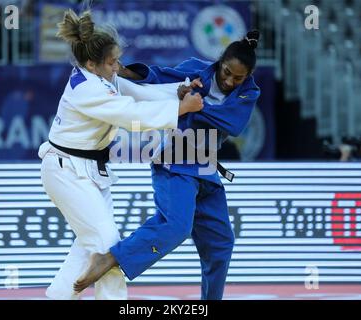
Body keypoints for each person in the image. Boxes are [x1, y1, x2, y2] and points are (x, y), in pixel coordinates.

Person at [73, 30, 262, 300]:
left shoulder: (250, 91)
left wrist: (193, 104)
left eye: (238, 78)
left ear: (248, 77)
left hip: (206, 168)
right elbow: (160, 77)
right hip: (175, 161)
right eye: (226, 72)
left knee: (221, 243)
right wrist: (128, 74)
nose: (230, 81)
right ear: (220, 62)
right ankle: (110, 258)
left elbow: (233, 123)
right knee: (176, 226)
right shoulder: (196, 69)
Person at [39, 9, 203, 300]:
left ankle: (57, 297)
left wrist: (177, 91)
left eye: (117, 60)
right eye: (112, 62)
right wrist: (181, 109)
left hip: (85, 169)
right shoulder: (86, 90)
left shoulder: (99, 79)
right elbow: (131, 113)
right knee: (107, 248)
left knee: (88, 246)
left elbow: (136, 92)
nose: (117, 67)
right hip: (66, 171)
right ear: (92, 63)